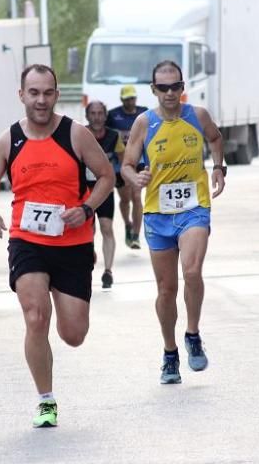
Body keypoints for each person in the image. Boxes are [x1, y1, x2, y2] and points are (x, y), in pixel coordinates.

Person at [0, 64, 114, 428]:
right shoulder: (8, 141)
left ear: (56, 94)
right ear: (21, 95)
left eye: (47, 92)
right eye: (33, 92)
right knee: (35, 317)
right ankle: (45, 401)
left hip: (73, 243)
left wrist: (85, 208)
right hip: (27, 240)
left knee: (73, 335)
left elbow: (106, 176)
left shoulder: (76, 134)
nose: (41, 100)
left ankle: (60, 291)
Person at [121, 60, 226, 385]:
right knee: (166, 290)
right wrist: (135, 176)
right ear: (153, 90)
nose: (170, 93)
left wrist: (219, 168)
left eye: (175, 86)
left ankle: (192, 333)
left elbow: (215, 138)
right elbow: (126, 164)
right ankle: (170, 354)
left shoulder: (198, 115)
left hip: (195, 206)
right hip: (157, 213)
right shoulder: (144, 123)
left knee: (192, 272)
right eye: (163, 87)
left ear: (183, 88)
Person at [84, 100, 125, 289]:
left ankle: (108, 271)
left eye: (100, 113)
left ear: (105, 115)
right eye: (93, 113)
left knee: (106, 227)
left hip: (105, 189)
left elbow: (124, 162)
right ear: (87, 115)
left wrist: (122, 177)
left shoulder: (113, 136)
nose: (97, 117)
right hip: (84, 191)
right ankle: (89, 252)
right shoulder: (80, 135)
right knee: (87, 230)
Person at [107, 84, 148, 249]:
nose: (130, 101)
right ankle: (127, 225)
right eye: (127, 99)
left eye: (133, 98)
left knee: (137, 197)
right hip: (120, 163)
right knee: (125, 199)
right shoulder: (113, 115)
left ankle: (136, 236)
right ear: (122, 100)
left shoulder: (143, 112)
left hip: (139, 160)